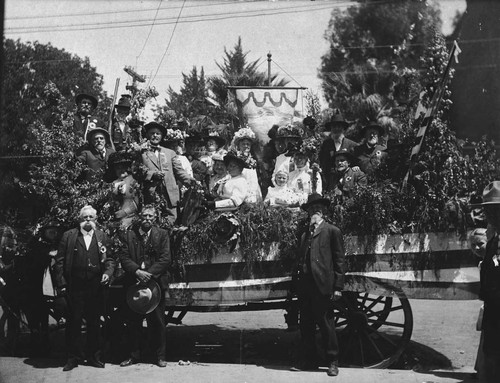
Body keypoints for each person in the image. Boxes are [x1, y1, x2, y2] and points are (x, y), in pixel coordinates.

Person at [53, 205, 115, 371]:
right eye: (84, 217)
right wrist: (62, 284)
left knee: (95, 322)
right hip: (75, 286)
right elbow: (58, 262)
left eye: (91, 217)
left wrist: (108, 273)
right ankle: (73, 358)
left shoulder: (102, 236)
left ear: (96, 219)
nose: (88, 220)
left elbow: (109, 260)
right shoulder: (69, 236)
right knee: (74, 322)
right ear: (79, 219)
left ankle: (94, 356)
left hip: (95, 286)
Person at [291, 193, 344, 377]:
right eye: (312, 209)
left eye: (318, 209)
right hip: (306, 285)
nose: (315, 211)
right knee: (306, 324)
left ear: (324, 211)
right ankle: (309, 360)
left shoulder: (332, 231)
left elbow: (339, 261)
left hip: (322, 285)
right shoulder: (305, 233)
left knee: (326, 324)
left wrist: (337, 287)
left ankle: (332, 362)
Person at [119, 205, 171, 368]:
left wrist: (149, 274)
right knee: (133, 322)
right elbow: (124, 257)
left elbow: (165, 258)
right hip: (134, 284)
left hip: (155, 286)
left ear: (155, 219)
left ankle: (160, 357)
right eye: (145, 216)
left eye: (151, 216)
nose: (147, 219)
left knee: (157, 322)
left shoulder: (162, 234)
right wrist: (137, 272)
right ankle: (133, 355)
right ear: (139, 218)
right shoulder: (129, 235)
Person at [141, 122, 197, 224]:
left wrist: (191, 181)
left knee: (171, 223)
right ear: (147, 135)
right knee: (153, 224)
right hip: (152, 195)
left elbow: (179, 171)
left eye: (158, 133)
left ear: (162, 136)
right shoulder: (142, 153)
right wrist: (152, 174)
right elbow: (137, 171)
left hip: (170, 196)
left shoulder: (170, 153)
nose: (155, 135)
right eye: (152, 133)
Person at [22, 221, 62, 356]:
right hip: (36, 288)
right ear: (44, 233)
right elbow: (33, 265)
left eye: (55, 231)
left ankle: (46, 344)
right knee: (36, 317)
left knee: (45, 318)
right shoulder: (36, 246)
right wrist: (48, 255)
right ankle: (36, 345)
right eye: (50, 231)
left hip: (55, 288)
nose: (53, 233)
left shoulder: (59, 245)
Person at [477, 181, 500, 382]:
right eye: (489, 211)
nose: (491, 215)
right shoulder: (494, 237)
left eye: (495, 210)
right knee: (491, 348)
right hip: (493, 303)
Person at [319, 110, 358, 191]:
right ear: (331, 129)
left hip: (348, 183)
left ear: (343, 129)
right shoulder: (326, 145)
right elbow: (323, 163)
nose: (336, 129)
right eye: (334, 127)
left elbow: (356, 164)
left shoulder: (352, 145)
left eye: (339, 126)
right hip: (330, 183)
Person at [469, 228, 487, 381]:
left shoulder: (493, 260)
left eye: (480, 244)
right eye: (473, 245)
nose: (476, 248)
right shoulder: (483, 262)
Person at [108, 152, 140, 230]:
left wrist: (124, 212)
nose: (121, 170)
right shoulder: (113, 183)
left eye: (123, 167)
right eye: (118, 168)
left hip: (130, 218)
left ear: (127, 168)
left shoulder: (133, 181)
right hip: (115, 218)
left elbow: (137, 203)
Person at [231, 127, 262, 203]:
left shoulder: (253, 159)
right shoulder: (235, 158)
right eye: (243, 144)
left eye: (248, 144)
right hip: (240, 189)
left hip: (253, 188)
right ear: (238, 145)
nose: (246, 146)